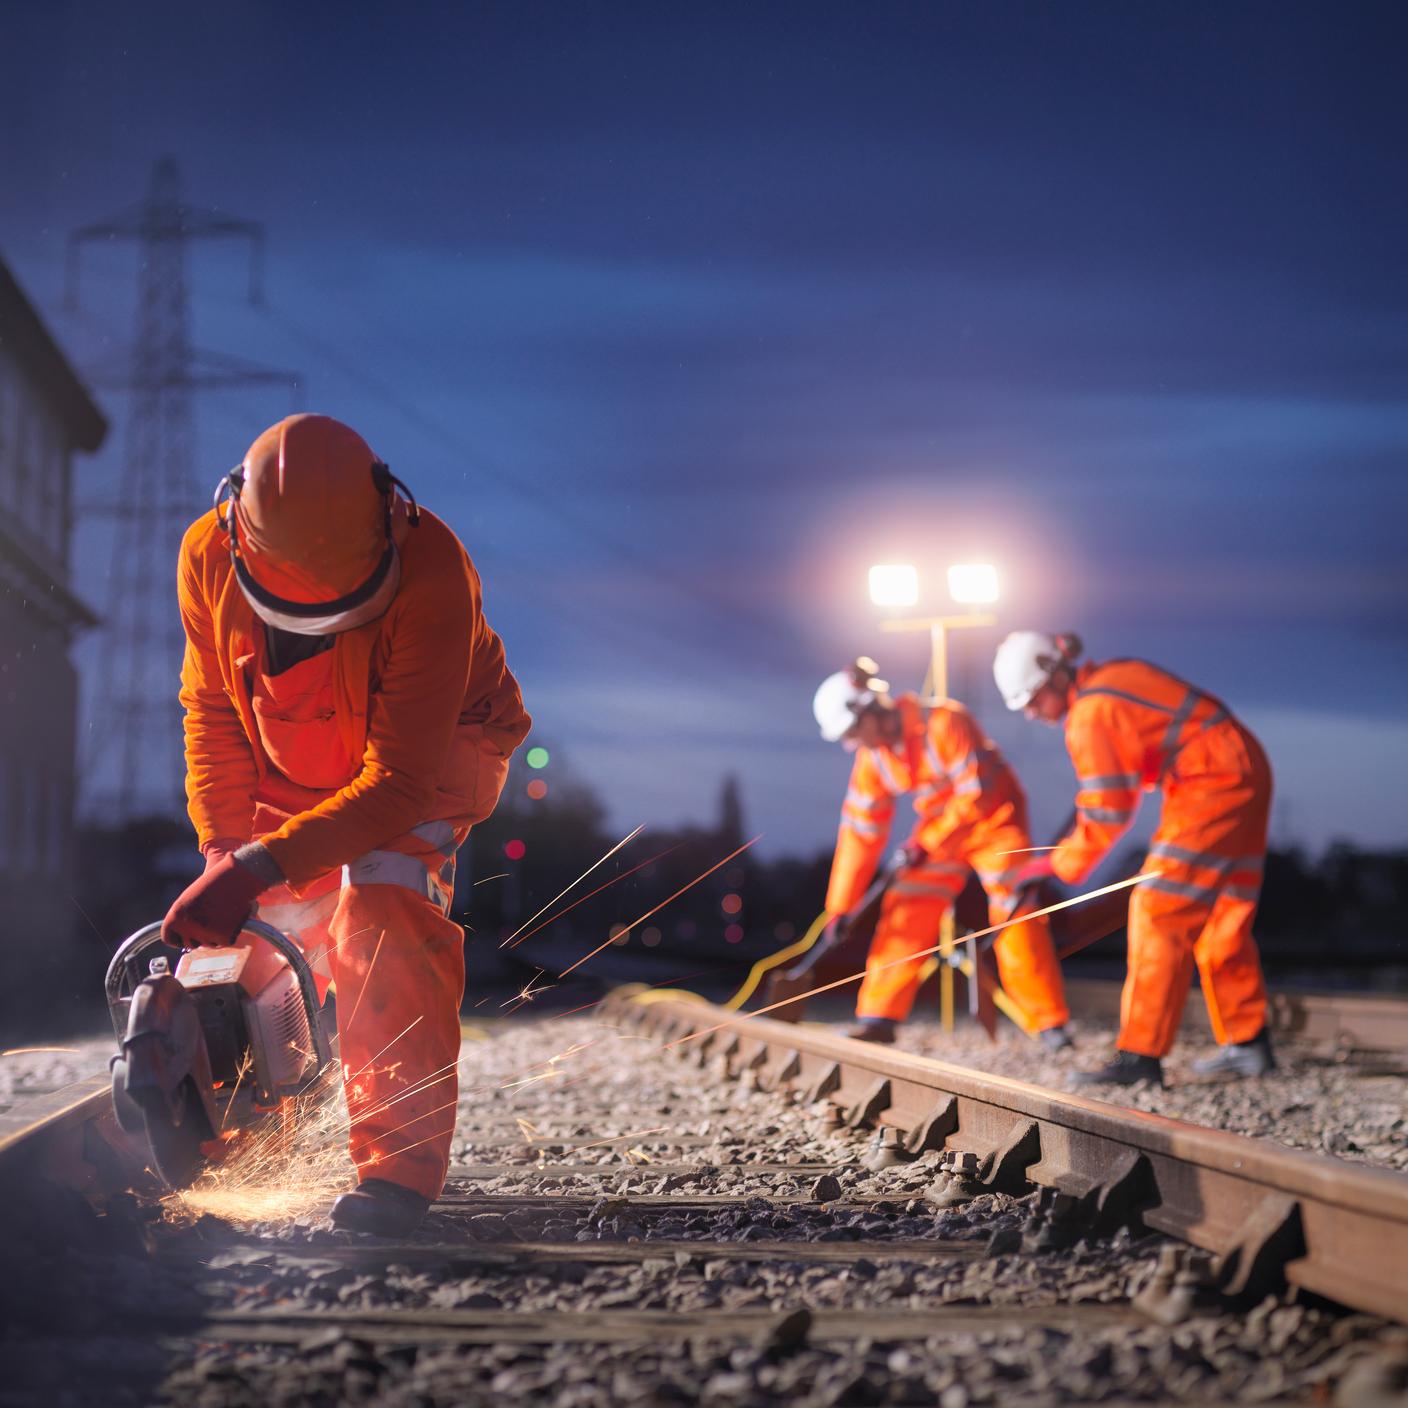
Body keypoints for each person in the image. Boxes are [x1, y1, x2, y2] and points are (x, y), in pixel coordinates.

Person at [159, 414, 530, 1234]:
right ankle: (252, 1128)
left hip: (436, 751)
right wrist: (228, 854)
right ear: (240, 533)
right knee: (263, 930)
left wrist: (256, 865)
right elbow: (212, 709)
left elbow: (396, 787)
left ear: (388, 526)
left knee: (382, 903)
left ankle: (396, 1175)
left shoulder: (434, 569)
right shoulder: (205, 556)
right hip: (297, 749)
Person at [994, 631, 1274, 1087]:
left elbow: (1108, 810)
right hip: (1241, 765)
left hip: (1210, 780)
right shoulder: (1108, 681)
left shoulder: (1090, 712)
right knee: (1224, 913)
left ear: (1054, 677)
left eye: (1032, 700)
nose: (1030, 712)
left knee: (1159, 907)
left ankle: (1139, 1056)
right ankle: (1248, 1042)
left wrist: (1054, 866)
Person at [813, 659, 1070, 1046]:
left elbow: (976, 795)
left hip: (994, 821)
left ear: (871, 710)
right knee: (905, 905)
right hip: (940, 833)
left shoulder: (945, 721)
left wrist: (925, 843)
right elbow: (859, 832)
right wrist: (841, 906)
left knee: (1014, 908)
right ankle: (878, 1017)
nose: (854, 744)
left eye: (853, 732)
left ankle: (1049, 1023)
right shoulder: (873, 758)